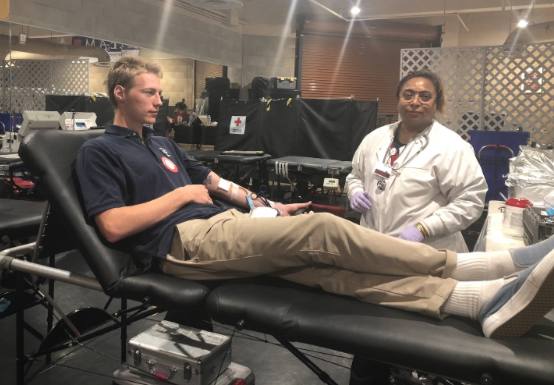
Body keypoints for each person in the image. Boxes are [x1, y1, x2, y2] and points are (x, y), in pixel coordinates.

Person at [76, 57, 554, 343]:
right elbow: (115, 227)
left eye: (160, 92)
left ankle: (474, 302)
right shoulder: (99, 150)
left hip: (221, 229)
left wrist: (265, 204)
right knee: (323, 230)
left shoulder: (163, 144)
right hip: (180, 244)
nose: (160, 101)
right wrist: (183, 193)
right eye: (149, 92)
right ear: (120, 94)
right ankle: (491, 267)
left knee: (328, 273)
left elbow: (217, 181)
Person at [346, 70, 487, 253]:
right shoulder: (374, 139)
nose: (414, 102)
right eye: (408, 95)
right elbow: (355, 176)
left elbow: (470, 201)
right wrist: (355, 191)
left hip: (427, 251)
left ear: (437, 104)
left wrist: (424, 229)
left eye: (425, 96)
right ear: (399, 99)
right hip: (374, 246)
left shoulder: (452, 147)